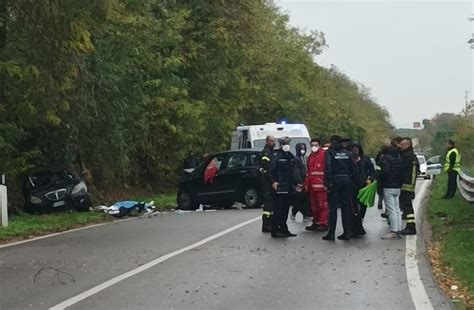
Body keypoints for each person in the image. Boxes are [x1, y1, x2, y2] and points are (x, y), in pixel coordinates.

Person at [322, 135, 358, 241]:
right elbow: (354, 168)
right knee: (346, 207)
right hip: (346, 180)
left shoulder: (329, 152)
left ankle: (331, 233)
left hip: (335, 180)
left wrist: (327, 183)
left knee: (332, 207)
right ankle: (346, 233)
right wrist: (352, 182)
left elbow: (328, 168)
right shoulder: (347, 153)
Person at [269, 137, 300, 238]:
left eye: (287, 143)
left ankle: (284, 229)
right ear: (281, 144)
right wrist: (273, 182)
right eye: (284, 143)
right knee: (278, 209)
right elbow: (271, 171)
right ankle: (275, 230)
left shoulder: (289, 155)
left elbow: (294, 171)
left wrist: (297, 183)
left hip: (288, 187)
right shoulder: (276, 155)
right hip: (279, 187)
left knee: (285, 210)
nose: (286, 145)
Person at [350, 142, 375, 237]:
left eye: (356, 149)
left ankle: (359, 221)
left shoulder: (365, 159)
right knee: (352, 206)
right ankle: (354, 226)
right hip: (351, 186)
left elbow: (372, 171)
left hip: (363, 186)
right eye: (353, 149)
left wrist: (370, 179)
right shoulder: (349, 158)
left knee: (362, 206)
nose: (355, 151)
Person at [378, 146, 403, 240]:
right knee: (397, 209)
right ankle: (399, 229)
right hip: (397, 187)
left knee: (391, 210)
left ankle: (393, 231)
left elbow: (383, 172)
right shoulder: (399, 160)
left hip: (388, 187)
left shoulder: (385, 159)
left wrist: (377, 176)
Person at [305, 138, 329, 232]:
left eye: (316, 145)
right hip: (312, 186)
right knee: (314, 206)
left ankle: (323, 223)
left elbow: (327, 169)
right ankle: (316, 222)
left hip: (322, 186)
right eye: (312, 145)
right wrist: (306, 185)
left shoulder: (324, 155)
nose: (314, 147)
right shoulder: (310, 156)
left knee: (323, 205)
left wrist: (326, 183)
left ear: (319, 145)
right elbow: (309, 172)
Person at [399, 137, 419, 235]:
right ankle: (409, 226)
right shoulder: (411, 156)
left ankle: (411, 227)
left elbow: (402, 170)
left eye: (402, 144)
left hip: (406, 185)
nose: (400, 146)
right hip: (408, 184)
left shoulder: (407, 156)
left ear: (407, 145)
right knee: (407, 207)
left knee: (407, 207)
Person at [259, 135, 276, 233]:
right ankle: (266, 225)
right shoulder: (266, 152)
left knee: (271, 203)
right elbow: (266, 166)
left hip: (268, 180)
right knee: (268, 203)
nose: (274, 143)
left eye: (274, 141)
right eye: (272, 141)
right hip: (267, 180)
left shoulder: (271, 151)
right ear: (267, 141)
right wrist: (272, 180)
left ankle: (269, 224)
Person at [291, 143, 312, 222]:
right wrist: (298, 182)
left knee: (305, 199)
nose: (302, 150)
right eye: (301, 148)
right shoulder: (296, 159)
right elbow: (295, 171)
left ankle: (305, 215)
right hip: (300, 182)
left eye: (304, 148)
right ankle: (296, 213)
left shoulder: (306, 158)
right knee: (300, 199)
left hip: (306, 181)